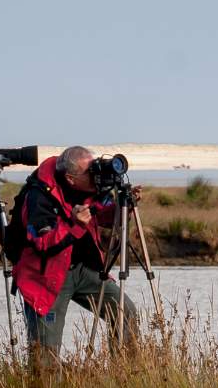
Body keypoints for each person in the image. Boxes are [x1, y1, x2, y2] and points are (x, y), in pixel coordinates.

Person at [11, 146, 140, 364]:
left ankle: (129, 374)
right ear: (71, 178)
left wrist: (124, 206)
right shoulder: (38, 196)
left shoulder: (92, 187)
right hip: (45, 276)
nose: (95, 174)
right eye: (89, 171)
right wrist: (75, 225)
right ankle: (44, 385)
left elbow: (104, 216)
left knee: (124, 312)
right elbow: (43, 243)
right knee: (45, 354)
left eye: (94, 166)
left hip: (84, 269)